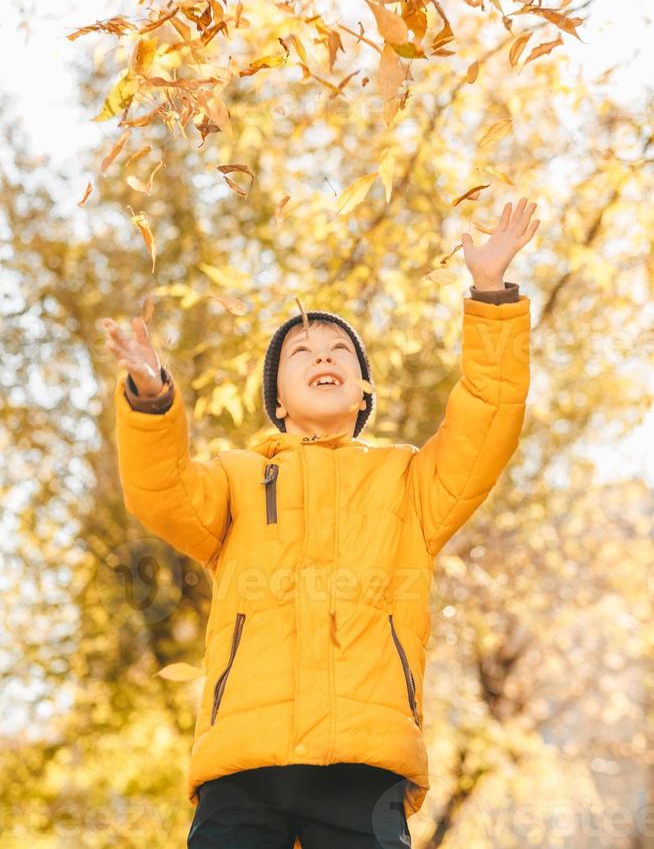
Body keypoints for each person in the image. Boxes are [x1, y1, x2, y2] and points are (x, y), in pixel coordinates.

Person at [102, 198, 538, 848]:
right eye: (301, 351)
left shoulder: (411, 482)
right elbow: (161, 491)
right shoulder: (235, 478)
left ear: (363, 390)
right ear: (277, 397)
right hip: (243, 768)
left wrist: (491, 291)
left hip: (365, 771)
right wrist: (153, 399)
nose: (322, 355)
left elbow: (488, 414)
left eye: (339, 350)